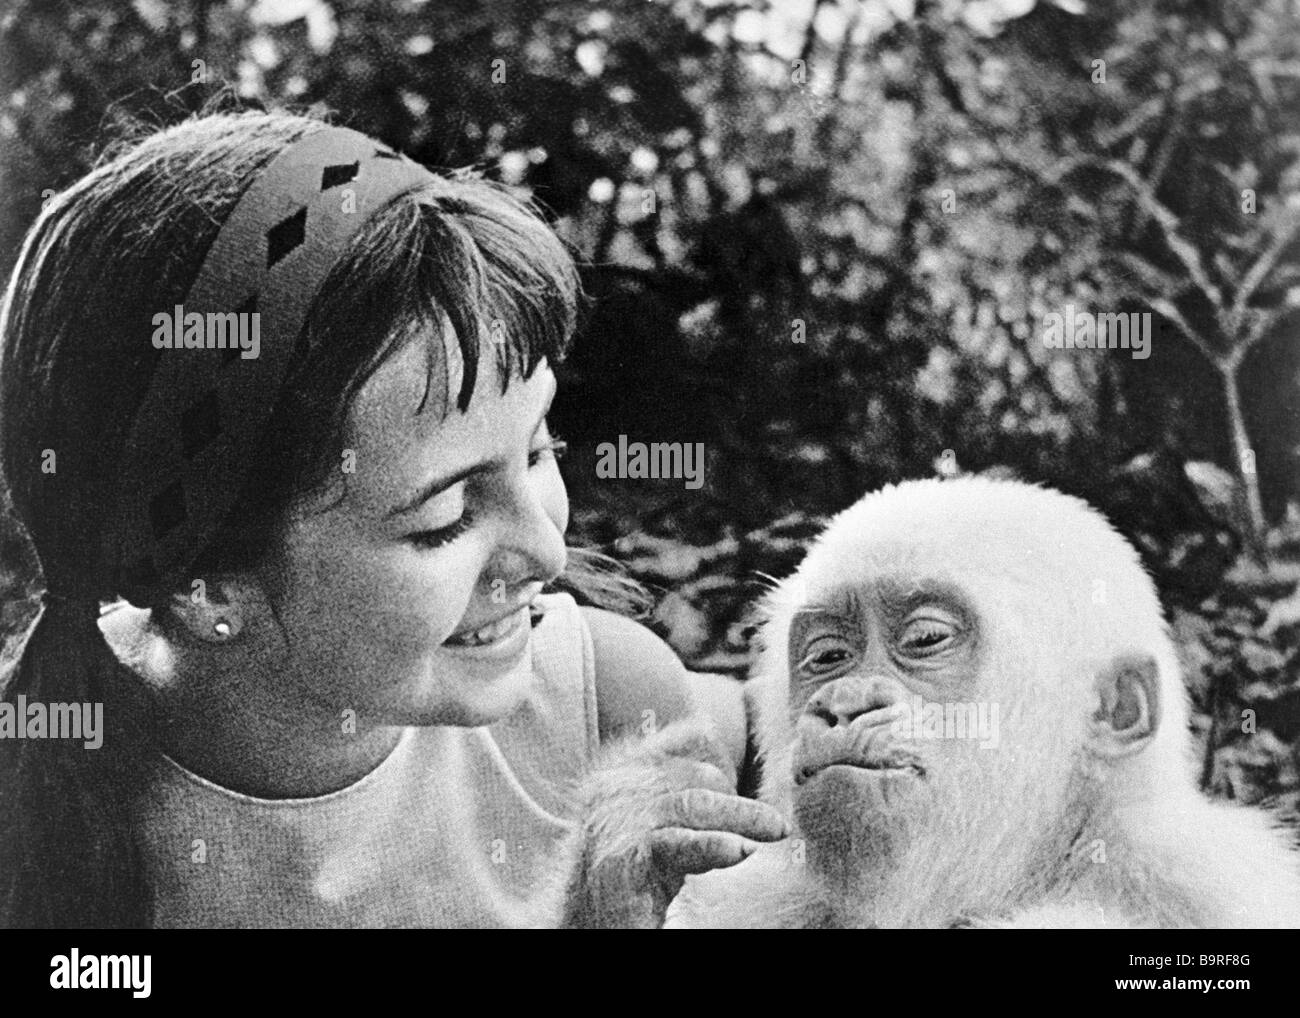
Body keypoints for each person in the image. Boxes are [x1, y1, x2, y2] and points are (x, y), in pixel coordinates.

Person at [0, 109, 770, 928]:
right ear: (206, 591)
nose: (547, 552)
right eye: (443, 518)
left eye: (539, 450)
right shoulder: (35, 813)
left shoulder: (607, 709)